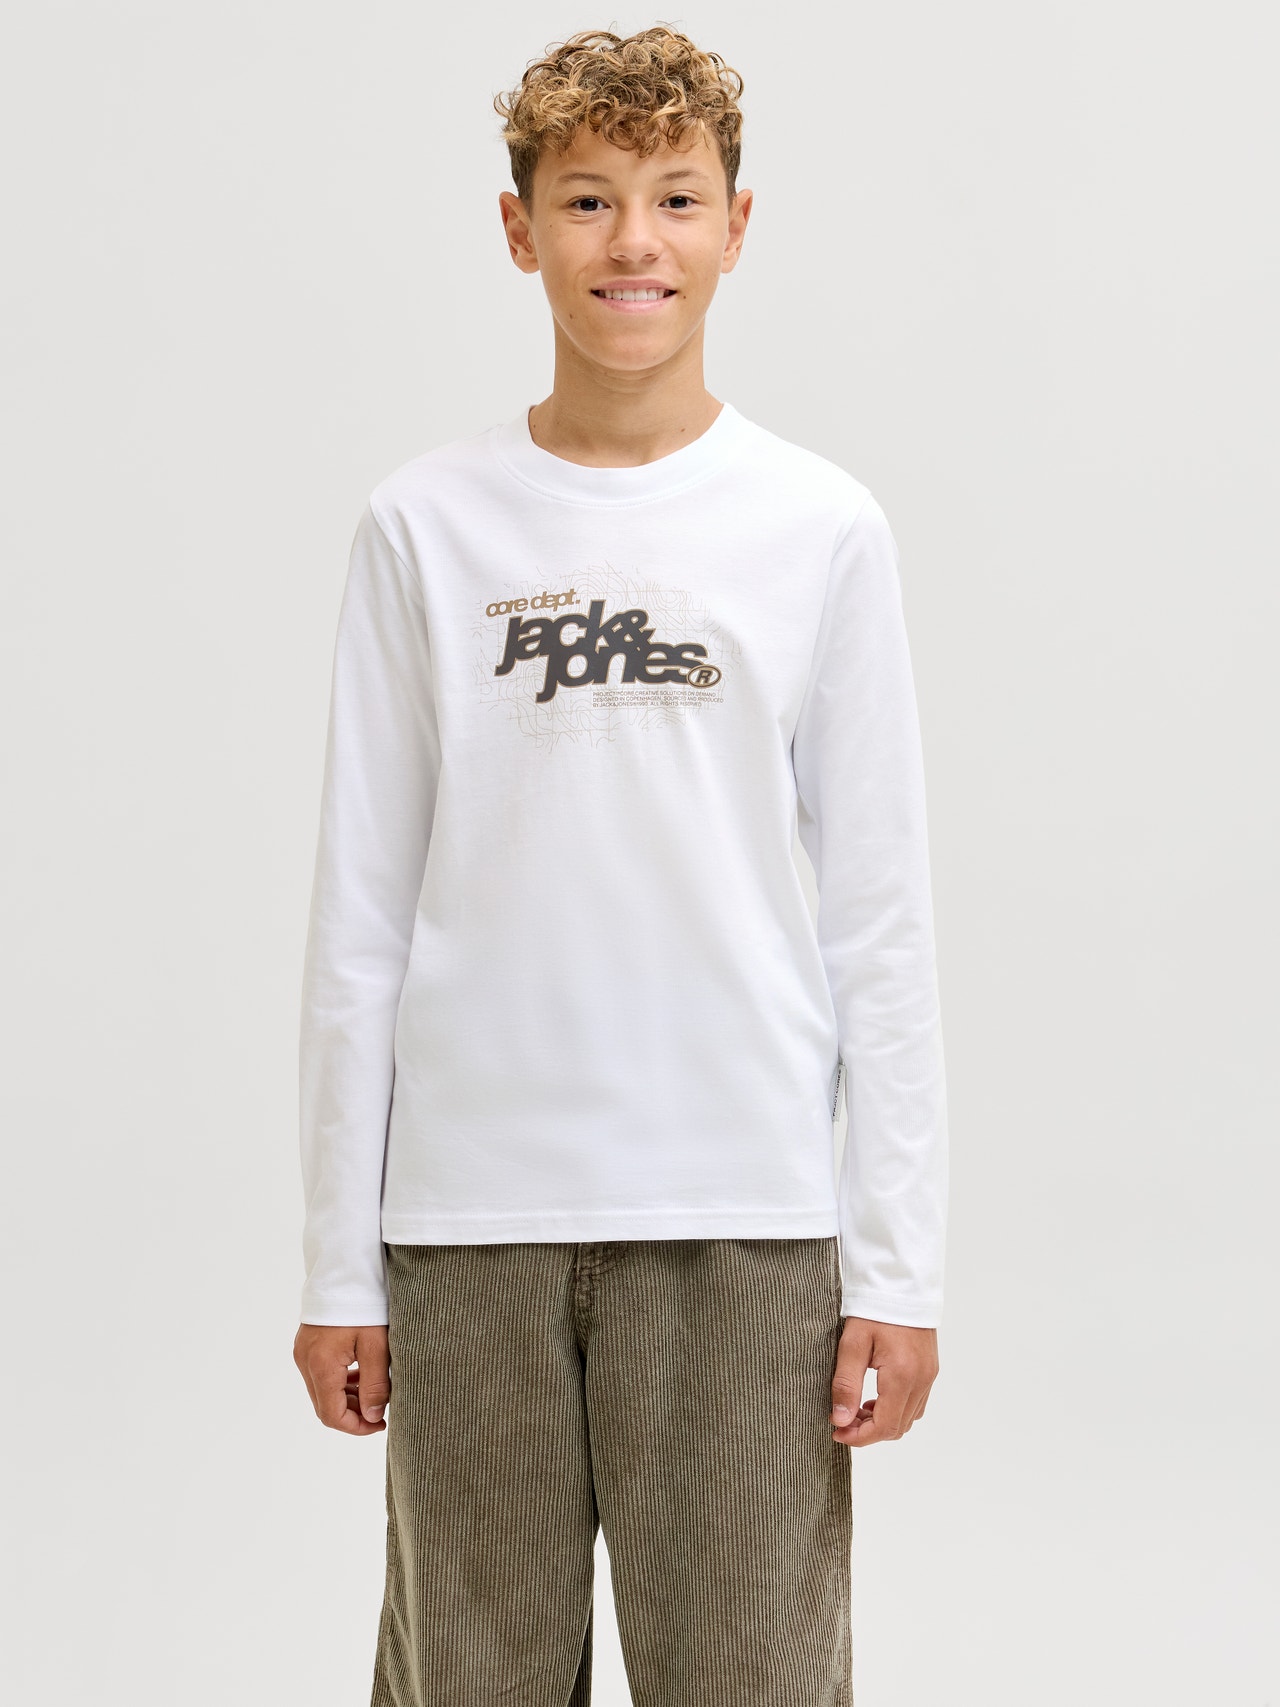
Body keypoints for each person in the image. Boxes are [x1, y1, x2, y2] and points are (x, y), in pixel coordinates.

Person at [292, 24, 948, 1706]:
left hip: (742, 1223)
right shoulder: (424, 528)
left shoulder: (819, 528)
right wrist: (337, 1264)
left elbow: (880, 923)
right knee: (470, 1682)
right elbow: (359, 918)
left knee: (753, 1678)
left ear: (737, 225)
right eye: (587, 200)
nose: (632, 241)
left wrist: (897, 1269)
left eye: (675, 197)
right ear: (521, 230)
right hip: (471, 1223)